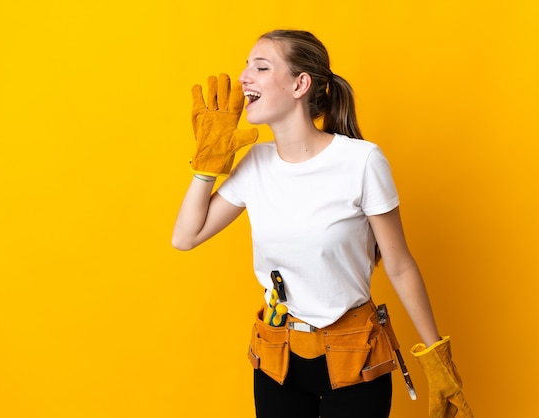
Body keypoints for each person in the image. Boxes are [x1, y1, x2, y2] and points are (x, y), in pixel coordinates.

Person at [172, 30, 472, 418]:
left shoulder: (361, 161)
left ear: (300, 84)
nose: (244, 76)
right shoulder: (255, 164)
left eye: (260, 67)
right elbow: (185, 237)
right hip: (277, 354)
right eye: (247, 65)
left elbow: (399, 266)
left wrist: (437, 361)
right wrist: (205, 169)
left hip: (355, 355)